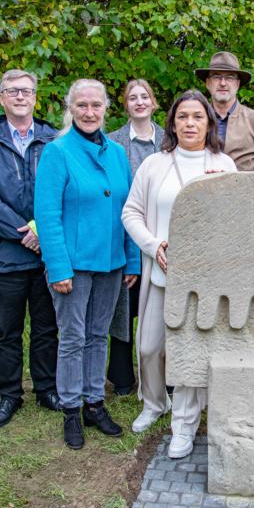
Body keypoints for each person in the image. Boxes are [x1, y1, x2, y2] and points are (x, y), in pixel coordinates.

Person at [123, 90, 237, 459]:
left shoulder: (225, 164)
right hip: (162, 271)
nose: (190, 123)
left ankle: (184, 426)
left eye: (197, 117)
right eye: (183, 117)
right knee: (150, 346)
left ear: (209, 122)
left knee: (189, 352)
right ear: (172, 122)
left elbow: (238, 218)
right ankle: (155, 402)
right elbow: (131, 213)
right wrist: (153, 245)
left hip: (204, 279)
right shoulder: (155, 164)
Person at [34, 79, 140, 450]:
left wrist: (131, 258)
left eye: (96, 105)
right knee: (73, 337)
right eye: (82, 105)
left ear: (106, 108)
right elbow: (46, 214)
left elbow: (130, 208)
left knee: (98, 335)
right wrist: (58, 267)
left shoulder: (115, 153)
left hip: (111, 263)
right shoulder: (58, 152)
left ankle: (95, 403)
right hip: (74, 266)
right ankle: (71, 409)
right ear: (71, 108)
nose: (90, 112)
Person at [0, 69, 61, 429]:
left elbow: (60, 190)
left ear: (36, 97)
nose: (20, 96)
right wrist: (24, 232)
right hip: (6, 255)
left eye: (27, 91)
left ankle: (46, 388)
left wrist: (43, 233)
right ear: (2, 98)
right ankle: (9, 395)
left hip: (46, 253)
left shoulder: (53, 140)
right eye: (13, 91)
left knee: (46, 326)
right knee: (8, 331)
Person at [106, 80, 164, 396]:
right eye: (132, 98)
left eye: (144, 96)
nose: (139, 102)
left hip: (161, 239)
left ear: (153, 103)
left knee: (161, 310)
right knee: (124, 308)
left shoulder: (169, 141)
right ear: (126, 105)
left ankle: (163, 374)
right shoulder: (112, 143)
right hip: (126, 236)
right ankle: (122, 376)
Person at [195, 51, 254, 171]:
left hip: (245, 189)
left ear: (237, 84)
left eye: (229, 77)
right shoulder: (195, 119)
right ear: (208, 83)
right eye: (216, 76)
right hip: (201, 188)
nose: (223, 83)